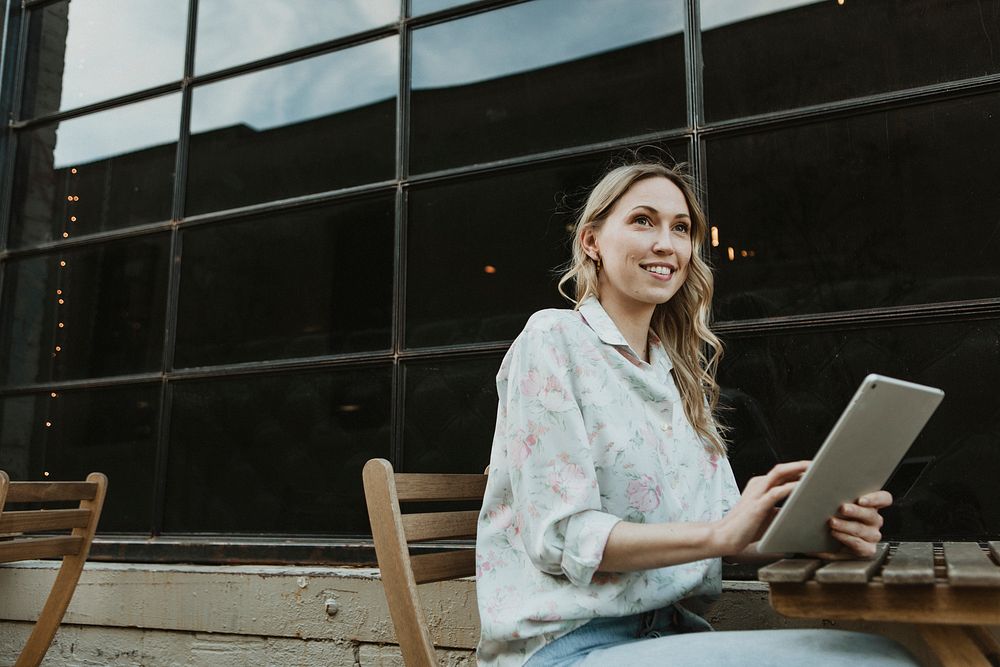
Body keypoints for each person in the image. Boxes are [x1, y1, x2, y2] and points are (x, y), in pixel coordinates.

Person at [474, 161, 919, 667]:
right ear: (592, 240)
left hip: (670, 636)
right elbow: (560, 534)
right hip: (567, 646)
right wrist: (718, 535)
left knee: (877, 652)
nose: (667, 243)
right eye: (643, 220)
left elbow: (728, 532)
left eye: (681, 228)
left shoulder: (675, 375)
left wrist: (815, 531)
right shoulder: (552, 339)